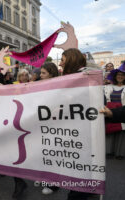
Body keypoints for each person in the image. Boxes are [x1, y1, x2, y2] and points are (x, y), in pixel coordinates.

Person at [59, 48, 94, 200]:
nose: (60, 63)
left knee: (80, 164)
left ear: (71, 60)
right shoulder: (70, 77)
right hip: (72, 129)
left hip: (82, 130)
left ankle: (78, 194)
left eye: (62, 59)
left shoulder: (87, 76)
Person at [35, 62, 60, 195]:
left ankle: (53, 184)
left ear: (51, 73)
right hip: (42, 125)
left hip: (55, 126)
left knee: (53, 155)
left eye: (44, 73)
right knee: (43, 153)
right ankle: (44, 178)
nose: (41, 75)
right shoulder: (40, 85)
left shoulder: (60, 87)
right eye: (41, 73)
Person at [103, 63, 125, 159]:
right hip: (110, 111)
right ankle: (108, 151)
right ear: (115, 76)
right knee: (110, 131)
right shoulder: (107, 87)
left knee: (121, 133)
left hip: (122, 112)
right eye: (118, 75)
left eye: (122, 75)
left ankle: (119, 153)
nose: (120, 77)